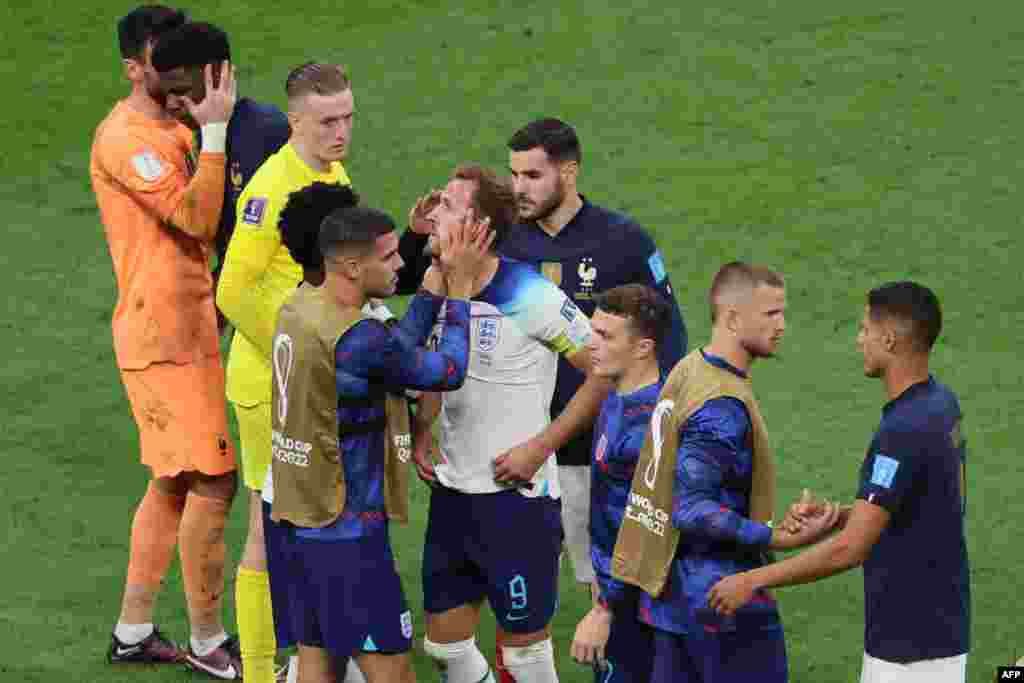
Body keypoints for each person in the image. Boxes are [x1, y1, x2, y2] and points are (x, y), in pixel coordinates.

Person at [270, 204, 493, 683]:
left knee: (318, 656)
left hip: (298, 517)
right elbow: (446, 370)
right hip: (348, 532)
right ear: (353, 267)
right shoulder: (361, 339)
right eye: (390, 257)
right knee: (392, 667)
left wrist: (429, 294)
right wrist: (459, 293)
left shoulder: (302, 306)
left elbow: (384, 357)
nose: (400, 265)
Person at [708, 281, 970, 683]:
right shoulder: (940, 404)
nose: (858, 339)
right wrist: (841, 516)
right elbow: (923, 507)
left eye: (865, 329)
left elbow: (850, 550)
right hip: (937, 627)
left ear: (889, 339)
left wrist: (752, 580)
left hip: (910, 648)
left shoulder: (903, 428)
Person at [90, 4, 242, 675]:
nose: (177, 66)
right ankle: (209, 642)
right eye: (163, 57)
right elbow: (195, 216)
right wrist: (213, 135)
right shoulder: (127, 139)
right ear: (132, 67)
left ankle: (133, 628)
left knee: (175, 479)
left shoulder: (177, 114)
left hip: (190, 324)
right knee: (214, 477)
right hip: (163, 337)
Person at [410, 164, 604, 683]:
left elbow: (604, 371)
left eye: (447, 206)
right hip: (452, 495)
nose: (432, 214)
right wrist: (424, 428)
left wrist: (541, 448)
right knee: (444, 646)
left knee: (524, 656)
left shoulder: (529, 294)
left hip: (515, 502)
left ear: (478, 230)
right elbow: (435, 365)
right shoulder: (436, 287)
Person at [611, 262, 836, 683]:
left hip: (670, 595)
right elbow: (690, 507)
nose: (782, 325)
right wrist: (773, 536)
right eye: (771, 314)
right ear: (733, 318)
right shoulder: (721, 407)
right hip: (721, 601)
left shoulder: (689, 368)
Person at [214, 61, 354, 683]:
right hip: (266, 385)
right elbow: (233, 291)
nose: (342, 131)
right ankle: (261, 670)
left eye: (348, 117)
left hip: (306, 381)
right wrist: (297, 351)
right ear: (295, 120)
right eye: (328, 121)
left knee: (309, 525)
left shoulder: (331, 171)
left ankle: (313, 655)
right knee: (267, 532)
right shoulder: (271, 190)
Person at [150, 21, 290, 328]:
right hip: (255, 312)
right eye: (166, 95)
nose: (172, 104)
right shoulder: (207, 138)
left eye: (181, 92)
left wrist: (213, 314)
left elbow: (260, 238)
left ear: (217, 76)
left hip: (285, 310)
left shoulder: (263, 130)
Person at [568, 284, 671, 682]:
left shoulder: (647, 427)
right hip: (617, 589)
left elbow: (646, 527)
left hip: (640, 604)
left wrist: (604, 609)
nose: (590, 344)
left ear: (643, 348)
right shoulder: (616, 396)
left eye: (605, 336)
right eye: (592, 331)